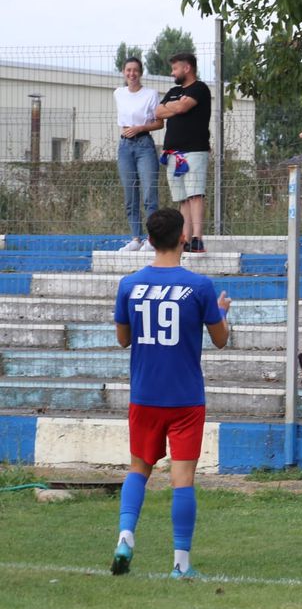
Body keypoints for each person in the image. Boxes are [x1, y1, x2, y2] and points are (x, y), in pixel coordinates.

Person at [110, 207, 231, 579]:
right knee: (183, 479)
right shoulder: (199, 286)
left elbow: (123, 339)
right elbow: (221, 340)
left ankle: (125, 536)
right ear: (182, 238)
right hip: (185, 398)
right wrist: (222, 313)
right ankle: (180, 563)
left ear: (149, 240)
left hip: (145, 394)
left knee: (138, 469)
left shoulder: (129, 284)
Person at [154, 53, 212, 254]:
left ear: (187, 68)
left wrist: (174, 107)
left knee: (195, 194)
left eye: (175, 69)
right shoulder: (173, 91)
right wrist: (174, 107)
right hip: (172, 153)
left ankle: (197, 238)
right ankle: (185, 239)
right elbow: (158, 112)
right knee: (183, 199)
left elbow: (182, 107)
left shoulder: (199, 88)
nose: (172, 73)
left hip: (194, 151)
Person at [114, 57, 163, 251]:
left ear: (140, 73)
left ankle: (152, 239)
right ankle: (135, 238)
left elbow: (159, 122)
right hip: (125, 146)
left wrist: (140, 128)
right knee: (130, 194)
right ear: (123, 72)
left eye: (135, 70)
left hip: (144, 144)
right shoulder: (118, 93)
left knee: (149, 193)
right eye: (128, 70)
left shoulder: (151, 94)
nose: (132, 74)